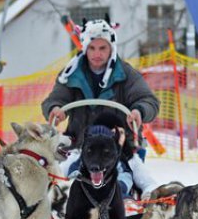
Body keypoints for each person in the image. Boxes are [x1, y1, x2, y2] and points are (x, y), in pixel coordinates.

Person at [42, 18, 160, 152]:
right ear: (85, 48)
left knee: (126, 174)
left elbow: (149, 101)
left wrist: (139, 111)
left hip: (121, 149)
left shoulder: (127, 75)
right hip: (79, 149)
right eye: (92, 48)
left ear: (111, 48)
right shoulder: (70, 74)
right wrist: (55, 108)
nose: (97, 54)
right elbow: (55, 99)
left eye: (102, 48)